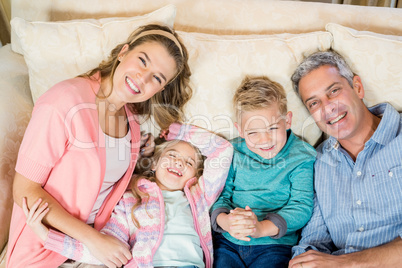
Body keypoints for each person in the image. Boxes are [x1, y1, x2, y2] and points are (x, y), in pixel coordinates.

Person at [7, 24, 193, 268]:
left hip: (101, 246)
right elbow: (24, 190)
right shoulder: (65, 101)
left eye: (157, 78)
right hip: (47, 250)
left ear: (161, 88)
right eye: (142, 60)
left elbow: (99, 178)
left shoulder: (132, 121)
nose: (143, 77)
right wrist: (94, 240)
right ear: (123, 52)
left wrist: (138, 160)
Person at [23, 123, 233, 268]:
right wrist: (47, 237)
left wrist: (176, 131)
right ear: (154, 163)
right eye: (172, 155)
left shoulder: (199, 196)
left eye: (188, 163)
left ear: (196, 176)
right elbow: (106, 248)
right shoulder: (132, 199)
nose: (179, 163)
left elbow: (223, 150)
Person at [289, 50, 402, 268]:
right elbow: (313, 242)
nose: (328, 107)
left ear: (357, 87)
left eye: (333, 91)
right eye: (314, 103)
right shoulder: (318, 162)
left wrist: (344, 263)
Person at [210, 76, 316, 268]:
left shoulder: (302, 156)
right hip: (228, 242)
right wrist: (227, 222)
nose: (265, 140)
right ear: (240, 131)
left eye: (273, 128)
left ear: (288, 120)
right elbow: (218, 195)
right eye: (253, 133)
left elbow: (301, 206)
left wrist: (260, 228)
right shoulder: (232, 151)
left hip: (274, 245)